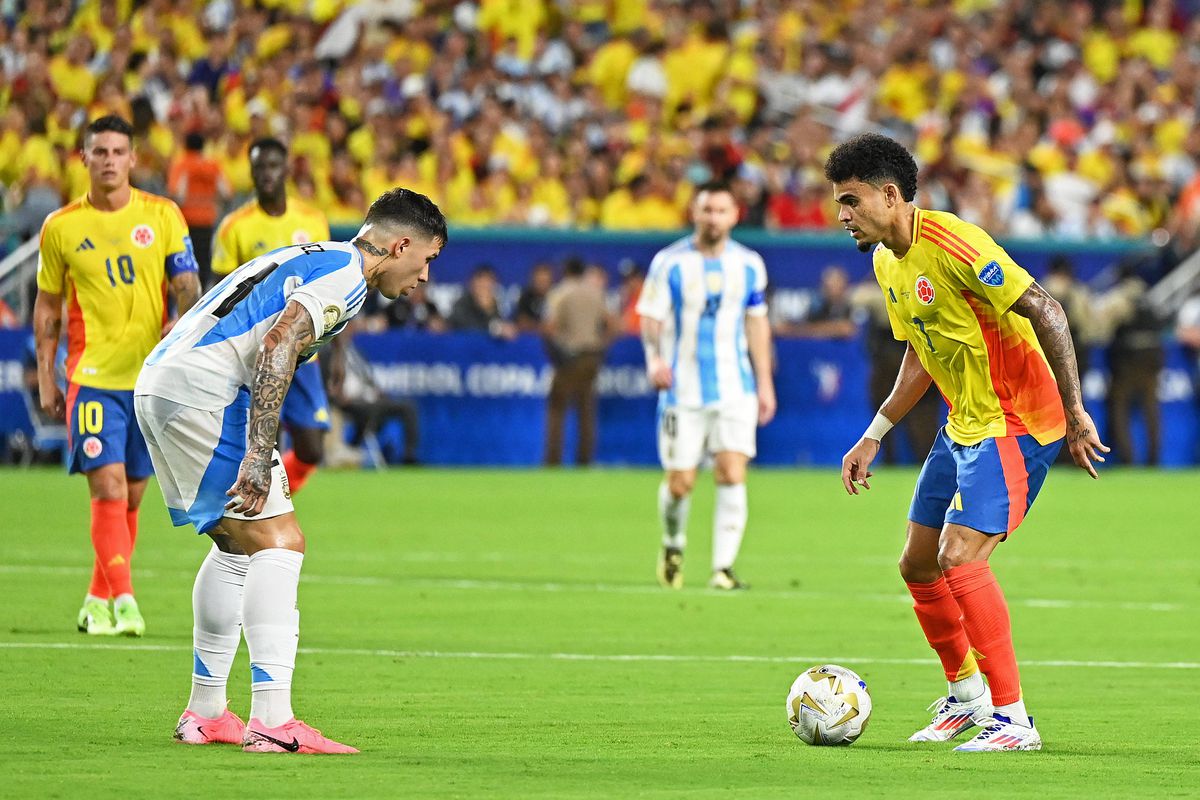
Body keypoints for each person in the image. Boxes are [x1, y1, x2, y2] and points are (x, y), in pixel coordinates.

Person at [133, 187, 447, 754]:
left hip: (163, 382)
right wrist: (258, 454)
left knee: (237, 548)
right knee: (281, 543)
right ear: (401, 244)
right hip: (204, 393)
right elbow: (277, 342)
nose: (424, 276)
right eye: (427, 260)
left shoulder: (311, 255)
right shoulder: (347, 278)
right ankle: (273, 722)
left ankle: (206, 714)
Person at [827, 133, 1108, 752]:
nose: (842, 216)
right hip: (964, 423)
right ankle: (968, 700)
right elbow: (921, 354)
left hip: (1016, 420)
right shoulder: (885, 261)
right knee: (917, 562)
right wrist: (874, 434)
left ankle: (1013, 721)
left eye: (851, 201)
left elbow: (1048, 310)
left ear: (891, 194)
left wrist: (1075, 408)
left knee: (961, 557)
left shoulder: (955, 244)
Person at [34, 114, 200, 637]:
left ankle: (95, 599)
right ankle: (126, 600)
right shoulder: (61, 227)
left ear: (133, 159)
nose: (108, 161)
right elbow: (48, 307)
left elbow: (188, 287)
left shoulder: (164, 215)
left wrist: (185, 332)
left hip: (150, 381)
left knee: (130, 495)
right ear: (83, 158)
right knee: (105, 487)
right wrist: (46, 376)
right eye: (99, 151)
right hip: (91, 376)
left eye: (117, 152)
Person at [637, 180, 776, 591]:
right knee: (680, 482)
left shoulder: (749, 264)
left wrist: (765, 384)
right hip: (683, 390)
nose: (713, 217)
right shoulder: (669, 262)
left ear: (734, 215)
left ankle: (723, 569)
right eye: (706, 210)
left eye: (721, 210)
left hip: (736, 387)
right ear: (694, 214)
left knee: (732, 472)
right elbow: (651, 316)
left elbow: (757, 324)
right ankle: (673, 544)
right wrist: (654, 358)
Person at [212, 137, 333, 494]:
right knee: (268, 443)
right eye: (259, 167)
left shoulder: (312, 220)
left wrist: (336, 352)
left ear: (287, 170)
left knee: (311, 447)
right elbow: (223, 293)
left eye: (272, 166)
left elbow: (330, 288)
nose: (266, 174)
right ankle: (263, 514)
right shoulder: (234, 226)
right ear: (250, 172)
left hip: (306, 352)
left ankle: (276, 498)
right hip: (259, 352)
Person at [543, 256, 613, 466]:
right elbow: (613, 324)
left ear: (565, 270)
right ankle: (584, 461)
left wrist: (558, 348)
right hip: (591, 356)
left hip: (569, 357)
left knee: (557, 409)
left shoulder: (560, 293)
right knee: (586, 410)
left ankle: (553, 461)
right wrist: (601, 344)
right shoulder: (595, 292)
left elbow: (549, 327)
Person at [168, 131, 231, 286]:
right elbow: (227, 192)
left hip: (187, 221)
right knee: (205, 263)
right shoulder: (212, 165)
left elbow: (178, 194)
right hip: (208, 221)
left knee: (187, 265)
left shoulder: (182, 164)